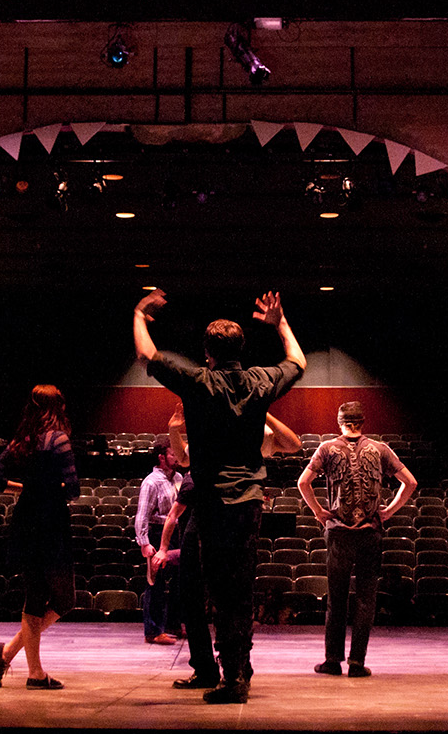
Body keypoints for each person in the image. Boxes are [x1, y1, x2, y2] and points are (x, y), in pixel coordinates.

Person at [133, 288, 305, 704]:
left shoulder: (197, 381)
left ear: (206, 351)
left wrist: (140, 315)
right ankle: (236, 669)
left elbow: (147, 357)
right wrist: (279, 323)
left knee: (220, 590)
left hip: (210, 501)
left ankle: (234, 679)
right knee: (237, 588)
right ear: (240, 348)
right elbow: (298, 363)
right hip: (248, 502)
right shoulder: (260, 381)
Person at [151, 404, 302, 690]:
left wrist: (263, 411)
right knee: (190, 592)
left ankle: (239, 667)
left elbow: (293, 444)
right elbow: (183, 459)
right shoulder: (209, 430)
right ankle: (205, 669)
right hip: (203, 511)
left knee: (233, 594)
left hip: (236, 512)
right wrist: (173, 428)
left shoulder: (251, 432)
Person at [297, 400, 416, 678]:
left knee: (336, 599)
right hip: (369, 533)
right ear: (363, 423)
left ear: (339, 422)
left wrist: (319, 512)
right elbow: (410, 482)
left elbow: (303, 482)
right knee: (365, 599)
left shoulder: (327, 449)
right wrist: (389, 511)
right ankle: (357, 663)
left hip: (339, 532)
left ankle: (332, 660)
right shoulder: (380, 449)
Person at [0, 384, 79, 690]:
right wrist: (48, 490)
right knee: (65, 598)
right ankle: (33, 673)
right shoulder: (59, 439)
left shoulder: (23, 441)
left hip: (26, 520)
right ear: (56, 407)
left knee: (35, 596)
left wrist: (24, 489)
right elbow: (73, 489)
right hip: (51, 521)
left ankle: (10, 653)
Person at [135, 436, 183, 645]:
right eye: (173, 454)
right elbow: (142, 515)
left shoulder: (180, 477)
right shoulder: (151, 482)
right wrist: (144, 542)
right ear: (162, 457)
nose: (177, 457)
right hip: (156, 532)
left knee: (181, 581)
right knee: (156, 583)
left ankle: (173, 624)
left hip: (177, 533)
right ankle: (153, 631)